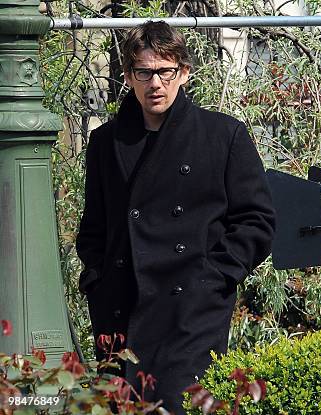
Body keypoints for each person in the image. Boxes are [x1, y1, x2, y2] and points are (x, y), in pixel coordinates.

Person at [76, 21, 275, 413]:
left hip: (190, 311)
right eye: (144, 72)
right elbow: (94, 226)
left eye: (165, 72)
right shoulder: (105, 142)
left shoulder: (223, 135)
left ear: (183, 73)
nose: (155, 83)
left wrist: (214, 277)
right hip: (120, 307)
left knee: (178, 404)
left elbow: (258, 220)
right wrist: (97, 278)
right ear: (128, 76)